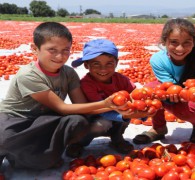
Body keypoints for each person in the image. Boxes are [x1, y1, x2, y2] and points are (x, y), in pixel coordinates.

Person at [0, 22, 122, 170]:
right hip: (16, 120)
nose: (60, 56)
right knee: (5, 138)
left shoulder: (69, 73)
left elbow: (82, 107)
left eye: (66, 50)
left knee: (77, 121)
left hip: (43, 120)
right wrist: (106, 104)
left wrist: (119, 110)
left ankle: (27, 153)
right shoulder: (28, 75)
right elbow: (62, 107)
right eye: (52, 50)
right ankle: (11, 150)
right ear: (35, 49)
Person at [133, 18, 195, 144]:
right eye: (174, 42)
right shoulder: (157, 59)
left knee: (184, 110)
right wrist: (172, 93)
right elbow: (168, 86)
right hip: (175, 94)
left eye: (186, 43)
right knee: (148, 91)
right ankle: (158, 128)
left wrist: (182, 95)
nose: (180, 48)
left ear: (194, 42)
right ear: (164, 42)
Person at [71, 39, 151, 154]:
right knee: (102, 124)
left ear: (116, 63)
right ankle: (78, 143)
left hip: (117, 115)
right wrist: (125, 115)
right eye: (96, 64)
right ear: (86, 65)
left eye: (109, 63)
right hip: (92, 117)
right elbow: (99, 110)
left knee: (126, 112)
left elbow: (136, 98)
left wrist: (144, 112)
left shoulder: (122, 80)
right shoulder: (87, 84)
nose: (103, 69)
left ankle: (116, 139)